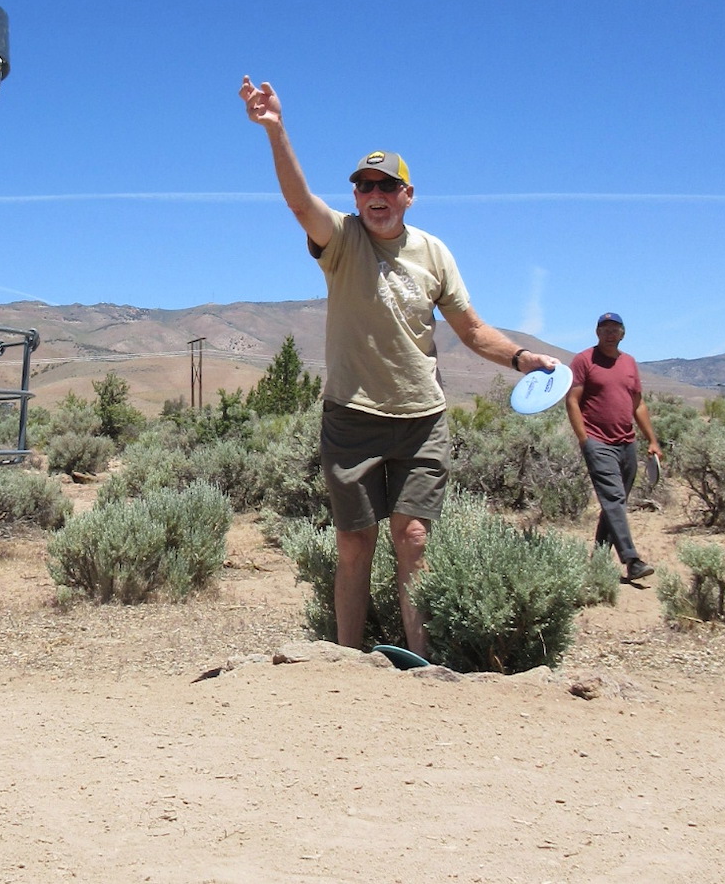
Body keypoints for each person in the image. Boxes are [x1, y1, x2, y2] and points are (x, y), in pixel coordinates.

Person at [240, 75, 557, 657]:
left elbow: (472, 330)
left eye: (388, 185)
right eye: (364, 186)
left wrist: (521, 357)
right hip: (352, 415)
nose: (375, 194)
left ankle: (422, 662)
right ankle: (347, 660)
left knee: (412, 538)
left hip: (421, 416)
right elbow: (298, 200)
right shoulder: (340, 240)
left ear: (409, 194)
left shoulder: (434, 252)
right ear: (357, 197)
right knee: (355, 543)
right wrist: (275, 129)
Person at [565, 312, 662, 582]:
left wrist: (652, 440)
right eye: (604, 328)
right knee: (615, 499)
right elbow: (572, 401)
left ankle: (598, 561)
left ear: (623, 333)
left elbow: (638, 404)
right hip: (598, 441)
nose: (609, 332)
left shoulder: (629, 363)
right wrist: (584, 439)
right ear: (597, 332)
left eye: (615, 328)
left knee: (614, 503)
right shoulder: (584, 360)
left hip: (626, 442)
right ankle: (631, 560)